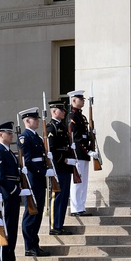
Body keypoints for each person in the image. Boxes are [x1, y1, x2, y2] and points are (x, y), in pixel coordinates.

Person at [0, 122, 22, 261]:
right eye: (8, 133)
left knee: (12, 234)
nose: (11, 135)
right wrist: (15, 190)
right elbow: (0, 176)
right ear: (0, 134)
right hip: (7, 196)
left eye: (12, 133)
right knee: (6, 234)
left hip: (13, 197)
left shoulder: (8, 152)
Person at [18, 108, 50, 256]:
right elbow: (28, 162)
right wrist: (43, 171)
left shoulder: (36, 136)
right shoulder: (25, 137)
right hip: (32, 178)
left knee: (37, 213)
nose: (37, 121)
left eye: (37, 119)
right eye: (34, 119)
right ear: (27, 121)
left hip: (39, 179)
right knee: (31, 213)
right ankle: (29, 246)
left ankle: (34, 244)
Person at [46, 100, 73, 234]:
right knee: (57, 196)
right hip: (58, 167)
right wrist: (64, 159)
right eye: (61, 110)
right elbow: (51, 149)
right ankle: (54, 226)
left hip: (65, 167)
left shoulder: (61, 125)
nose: (64, 112)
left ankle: (59, 224)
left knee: (63, 197)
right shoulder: (52, 127)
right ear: (54, 111)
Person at [67, 90, 96, 216]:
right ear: (74, 100)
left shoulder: (82, 116)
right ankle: (75, 208)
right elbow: (77, 137)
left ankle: (81, 206)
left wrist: (91, 136)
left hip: (84, 153)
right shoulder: (72, 116)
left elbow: (84, 136)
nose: (83, 101)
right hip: (78, 153)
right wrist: (88, 149)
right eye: (81, 99)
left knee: (83, 182)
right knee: (77, 182)